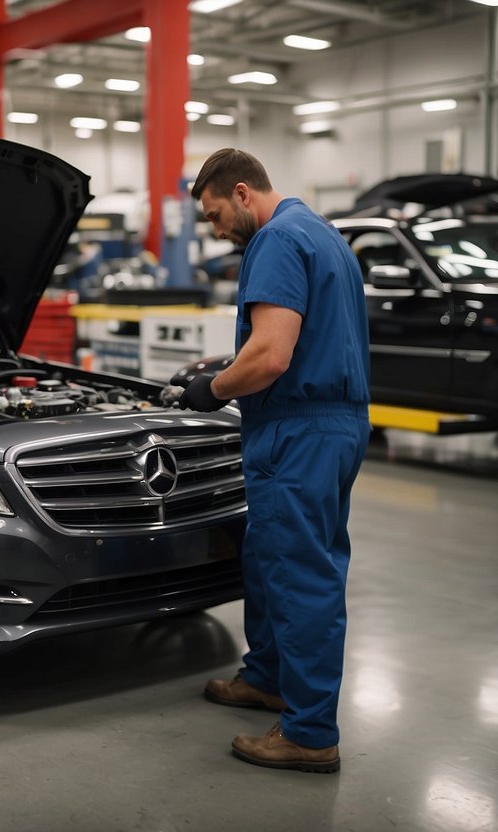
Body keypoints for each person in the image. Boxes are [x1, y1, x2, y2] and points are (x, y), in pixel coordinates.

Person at [175, 148, 370, 774]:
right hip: (325, 423)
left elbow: (271, 358)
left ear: (241, 193)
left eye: (213, 216)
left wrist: (213, 388)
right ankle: (268, 678)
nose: (215, 230)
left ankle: (310, 732)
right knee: (268, 555)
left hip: (299, 431)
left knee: (300, 573)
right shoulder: (321, 233)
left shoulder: (277, 240)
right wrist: (223, 367)